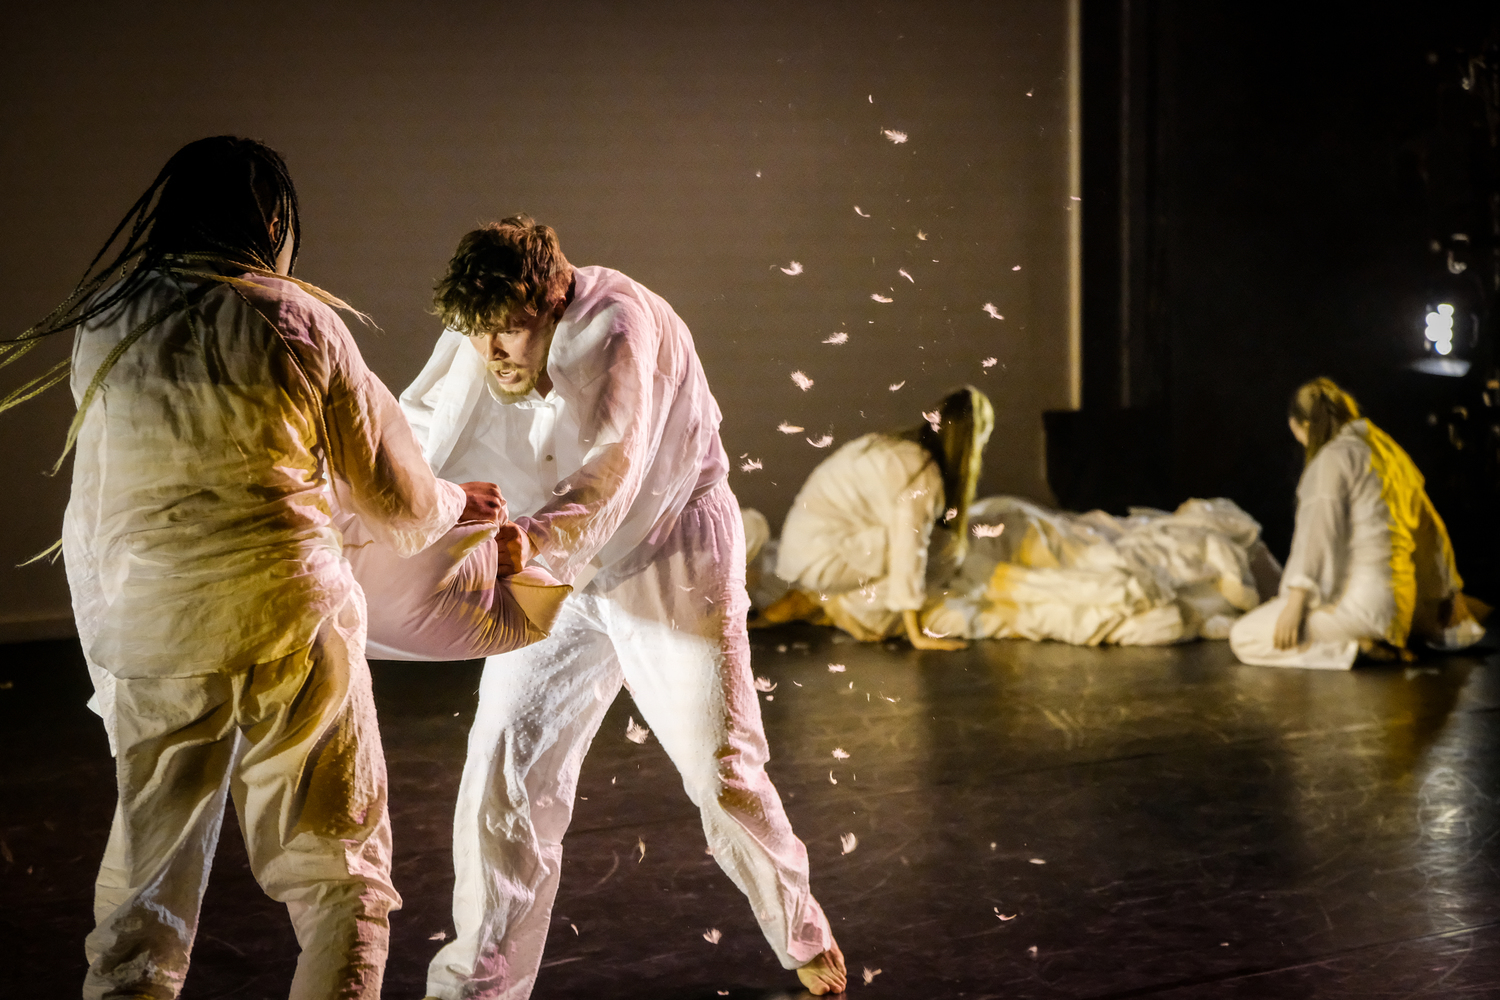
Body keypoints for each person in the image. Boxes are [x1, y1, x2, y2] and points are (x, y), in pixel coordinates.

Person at [5, 136, 507, 1000]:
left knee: (142, 905)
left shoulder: (107, 323)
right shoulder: (298, 319)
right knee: (340, 878)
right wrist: (460, 504)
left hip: (156, 634)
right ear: (272, 221)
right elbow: (396, 500)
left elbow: (94, 511)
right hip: (291, 624)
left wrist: (113, 651)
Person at [401, 217, 845, 998]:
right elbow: (417, 426)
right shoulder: (480, 335)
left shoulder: (617, 327)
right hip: (561, 568)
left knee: (720, 768)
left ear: (550, 296)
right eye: (478, 335)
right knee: (503, 768)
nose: (492, 352)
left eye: (508, 331)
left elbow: (611, 475)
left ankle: (801, 932)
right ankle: (477, 986)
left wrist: (526, 544)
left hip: (672, 551)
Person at [1230, 377, 1486, 669]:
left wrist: (1296, 602)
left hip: (1361, 607)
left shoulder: (1332, 458)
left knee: (1244, 636)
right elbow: (1431, 528)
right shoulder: (1390, 452)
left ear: (1299, 426)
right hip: (1403, 608)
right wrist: (1449, 591)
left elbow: (1318, 535)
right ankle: (1371, 641)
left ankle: (1351, 649)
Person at [762, 387, 995, 650]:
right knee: (947, 550)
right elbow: (909, 547)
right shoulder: (923, 473)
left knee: (942, 549)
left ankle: (829, 602)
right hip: (821, 559)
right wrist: (916, 634)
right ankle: (833, 605)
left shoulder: (898, 449)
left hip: (802, 551)